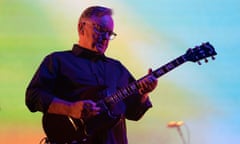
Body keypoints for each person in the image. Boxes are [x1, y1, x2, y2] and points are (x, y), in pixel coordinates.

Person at [25, 6, 158, 144]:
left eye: (109, 33)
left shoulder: (116, 68)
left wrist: (144, 93)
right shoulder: (58, 60)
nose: (105, 38)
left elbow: (134, 114)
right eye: (101, 30)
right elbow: (33, 97)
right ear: (81, 27)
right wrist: (70, 109)